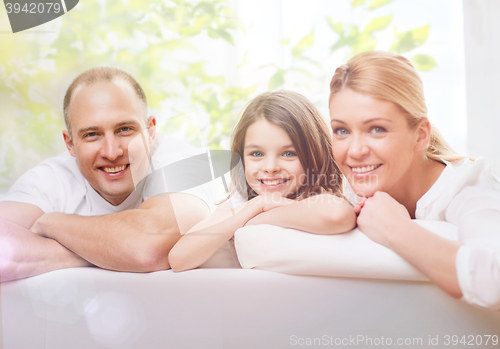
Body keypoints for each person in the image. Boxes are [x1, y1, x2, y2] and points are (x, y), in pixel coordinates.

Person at [0, 67, 216, 282]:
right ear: (70, 143)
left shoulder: (186, 164)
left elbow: (145, 250)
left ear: (150, 131)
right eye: (92, 135)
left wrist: (51, 223)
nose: (112, 152)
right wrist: (107, 253)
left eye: (125, 130)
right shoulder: (50, 180)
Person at [329, 51, 500, 310]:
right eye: (342, 130)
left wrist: (395, 229)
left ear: (420, 135)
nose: (354, 151)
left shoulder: (467, 189)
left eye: (376, 129)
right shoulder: (352, 183)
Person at [169, 90, 357, 272]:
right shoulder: (239, 204)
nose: (270, 167)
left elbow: (338, 215)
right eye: (257, 154)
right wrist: (257, 205)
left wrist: (265, 210)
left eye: (289, 153)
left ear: (315, 154)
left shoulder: (319, 198)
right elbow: (178, 258)